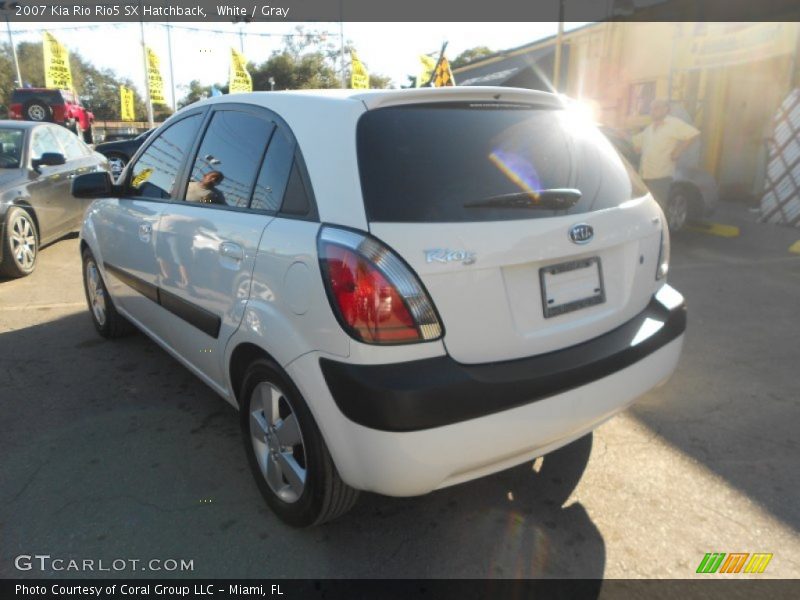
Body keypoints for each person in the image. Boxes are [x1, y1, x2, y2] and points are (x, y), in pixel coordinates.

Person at [632, 99, 700, 214]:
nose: (653, 111)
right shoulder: (650, 128)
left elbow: (693, 134)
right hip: (645, 175)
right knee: (645, 210)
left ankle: (659, 231)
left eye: (657, 108)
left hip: (661, 176)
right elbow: (636, 144)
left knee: (656, 209)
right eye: (652, 108)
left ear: (666, 109)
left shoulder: (673, 124)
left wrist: (678, 151)